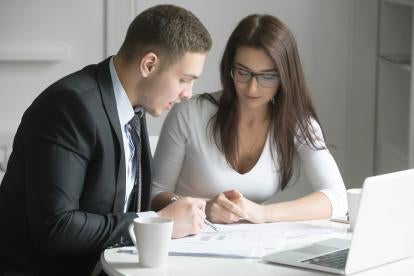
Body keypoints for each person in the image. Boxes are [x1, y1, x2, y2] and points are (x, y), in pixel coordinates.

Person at [0, 4, 212, 276]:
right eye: (184, 79)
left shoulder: (133, 106)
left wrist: (176, 208)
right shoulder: (69, 106)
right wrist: (158, 222)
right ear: (149, 64)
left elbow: (116, 203)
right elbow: (56, 227)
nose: (187, 93)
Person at [151, 14, 347, 225]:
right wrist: (205, 208)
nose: (252, 88)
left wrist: (263, 213)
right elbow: (155, 195)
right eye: (243, 73)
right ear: (230, 69)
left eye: (267, 76)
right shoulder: (189, 113)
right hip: (188, 241)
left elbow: (337, 198)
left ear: (285, 76)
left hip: (252, 249)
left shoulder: (296, 122)